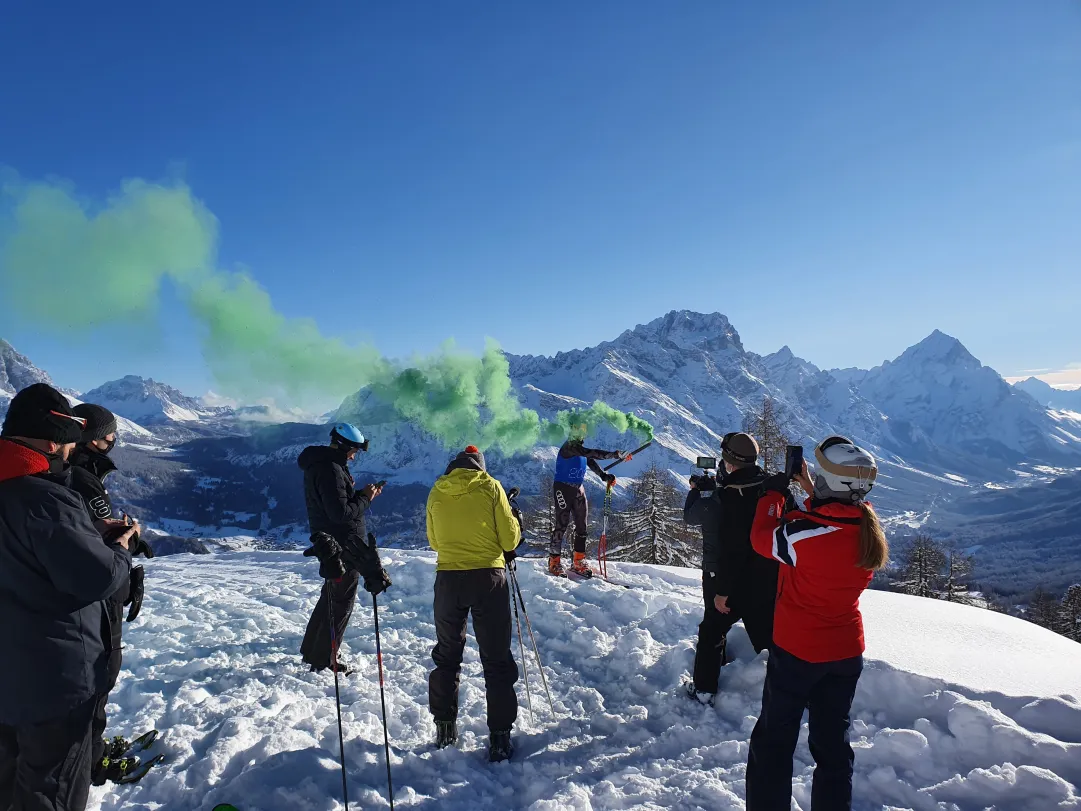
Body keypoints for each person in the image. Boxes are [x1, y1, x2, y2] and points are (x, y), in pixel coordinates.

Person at [0, 384, 137, 811]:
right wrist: (119, 548)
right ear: (52, 441)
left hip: (9, 673)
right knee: (51, 791)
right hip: (54, 679)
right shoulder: (44, 499)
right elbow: (97, 578)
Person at [745, 436, 889, 811]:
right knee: (832, 746)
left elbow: (761, 539)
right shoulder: (868, 530)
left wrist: (773, 495)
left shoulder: (801, 534)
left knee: (774, 741)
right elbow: (834, 514)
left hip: (797, 651)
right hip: (845, 654)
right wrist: (810, 486)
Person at [68, 403, 154, 785]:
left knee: (96, 675)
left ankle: (93, 749)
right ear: (92, 437)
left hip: (86, 589)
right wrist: (130, 536)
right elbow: (100, 531)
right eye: (109, 436)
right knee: (101, 671)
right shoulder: (82, 476)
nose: (113, 442)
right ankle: (91, 763)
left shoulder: (71, 471)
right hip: (98, 592)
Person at [426, 445, 522, 762]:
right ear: (479, 466)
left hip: (449, 580)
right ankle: (499, 737)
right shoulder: (491, 486)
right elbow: (509, 540)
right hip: (488, 579)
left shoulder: (437, 491)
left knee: (447, 655)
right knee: (495, 658)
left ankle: (445, 727)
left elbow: (435, 542)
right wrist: (516, 523)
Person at [683, 432, 774, 702]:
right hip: (765, 578)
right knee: (765, 632)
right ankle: (784, 685)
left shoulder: (722, 501)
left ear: (730, 463)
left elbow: (692, 517)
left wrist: (697, 491)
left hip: (723, 577)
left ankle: (704, 689)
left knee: (712, 628)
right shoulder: (769, 488)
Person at [298, 423, 391, 674]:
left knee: (331, 596)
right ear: (345, 446)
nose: (354, 456)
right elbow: (340, 513)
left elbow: (335, 505)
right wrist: (365, 498)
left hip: (331, 543)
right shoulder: (331, 470)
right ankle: (325, 659)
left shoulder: (322, 465)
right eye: (354, 451)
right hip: (342, 546)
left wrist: (359, 494)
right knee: (340, 602)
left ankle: (313, 650)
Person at [549, 426, 624, 578]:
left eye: (584, 430)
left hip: (578, 488)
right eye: (579, 430)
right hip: (562, 488)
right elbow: (591, 453)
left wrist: (604, 476)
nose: (582, 433)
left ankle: (578, 560)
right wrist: (613, 455)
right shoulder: (569, 447)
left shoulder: (580, 450)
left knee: (582, 525)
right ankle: (554, 561)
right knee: (561, 524)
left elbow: (591, 461)